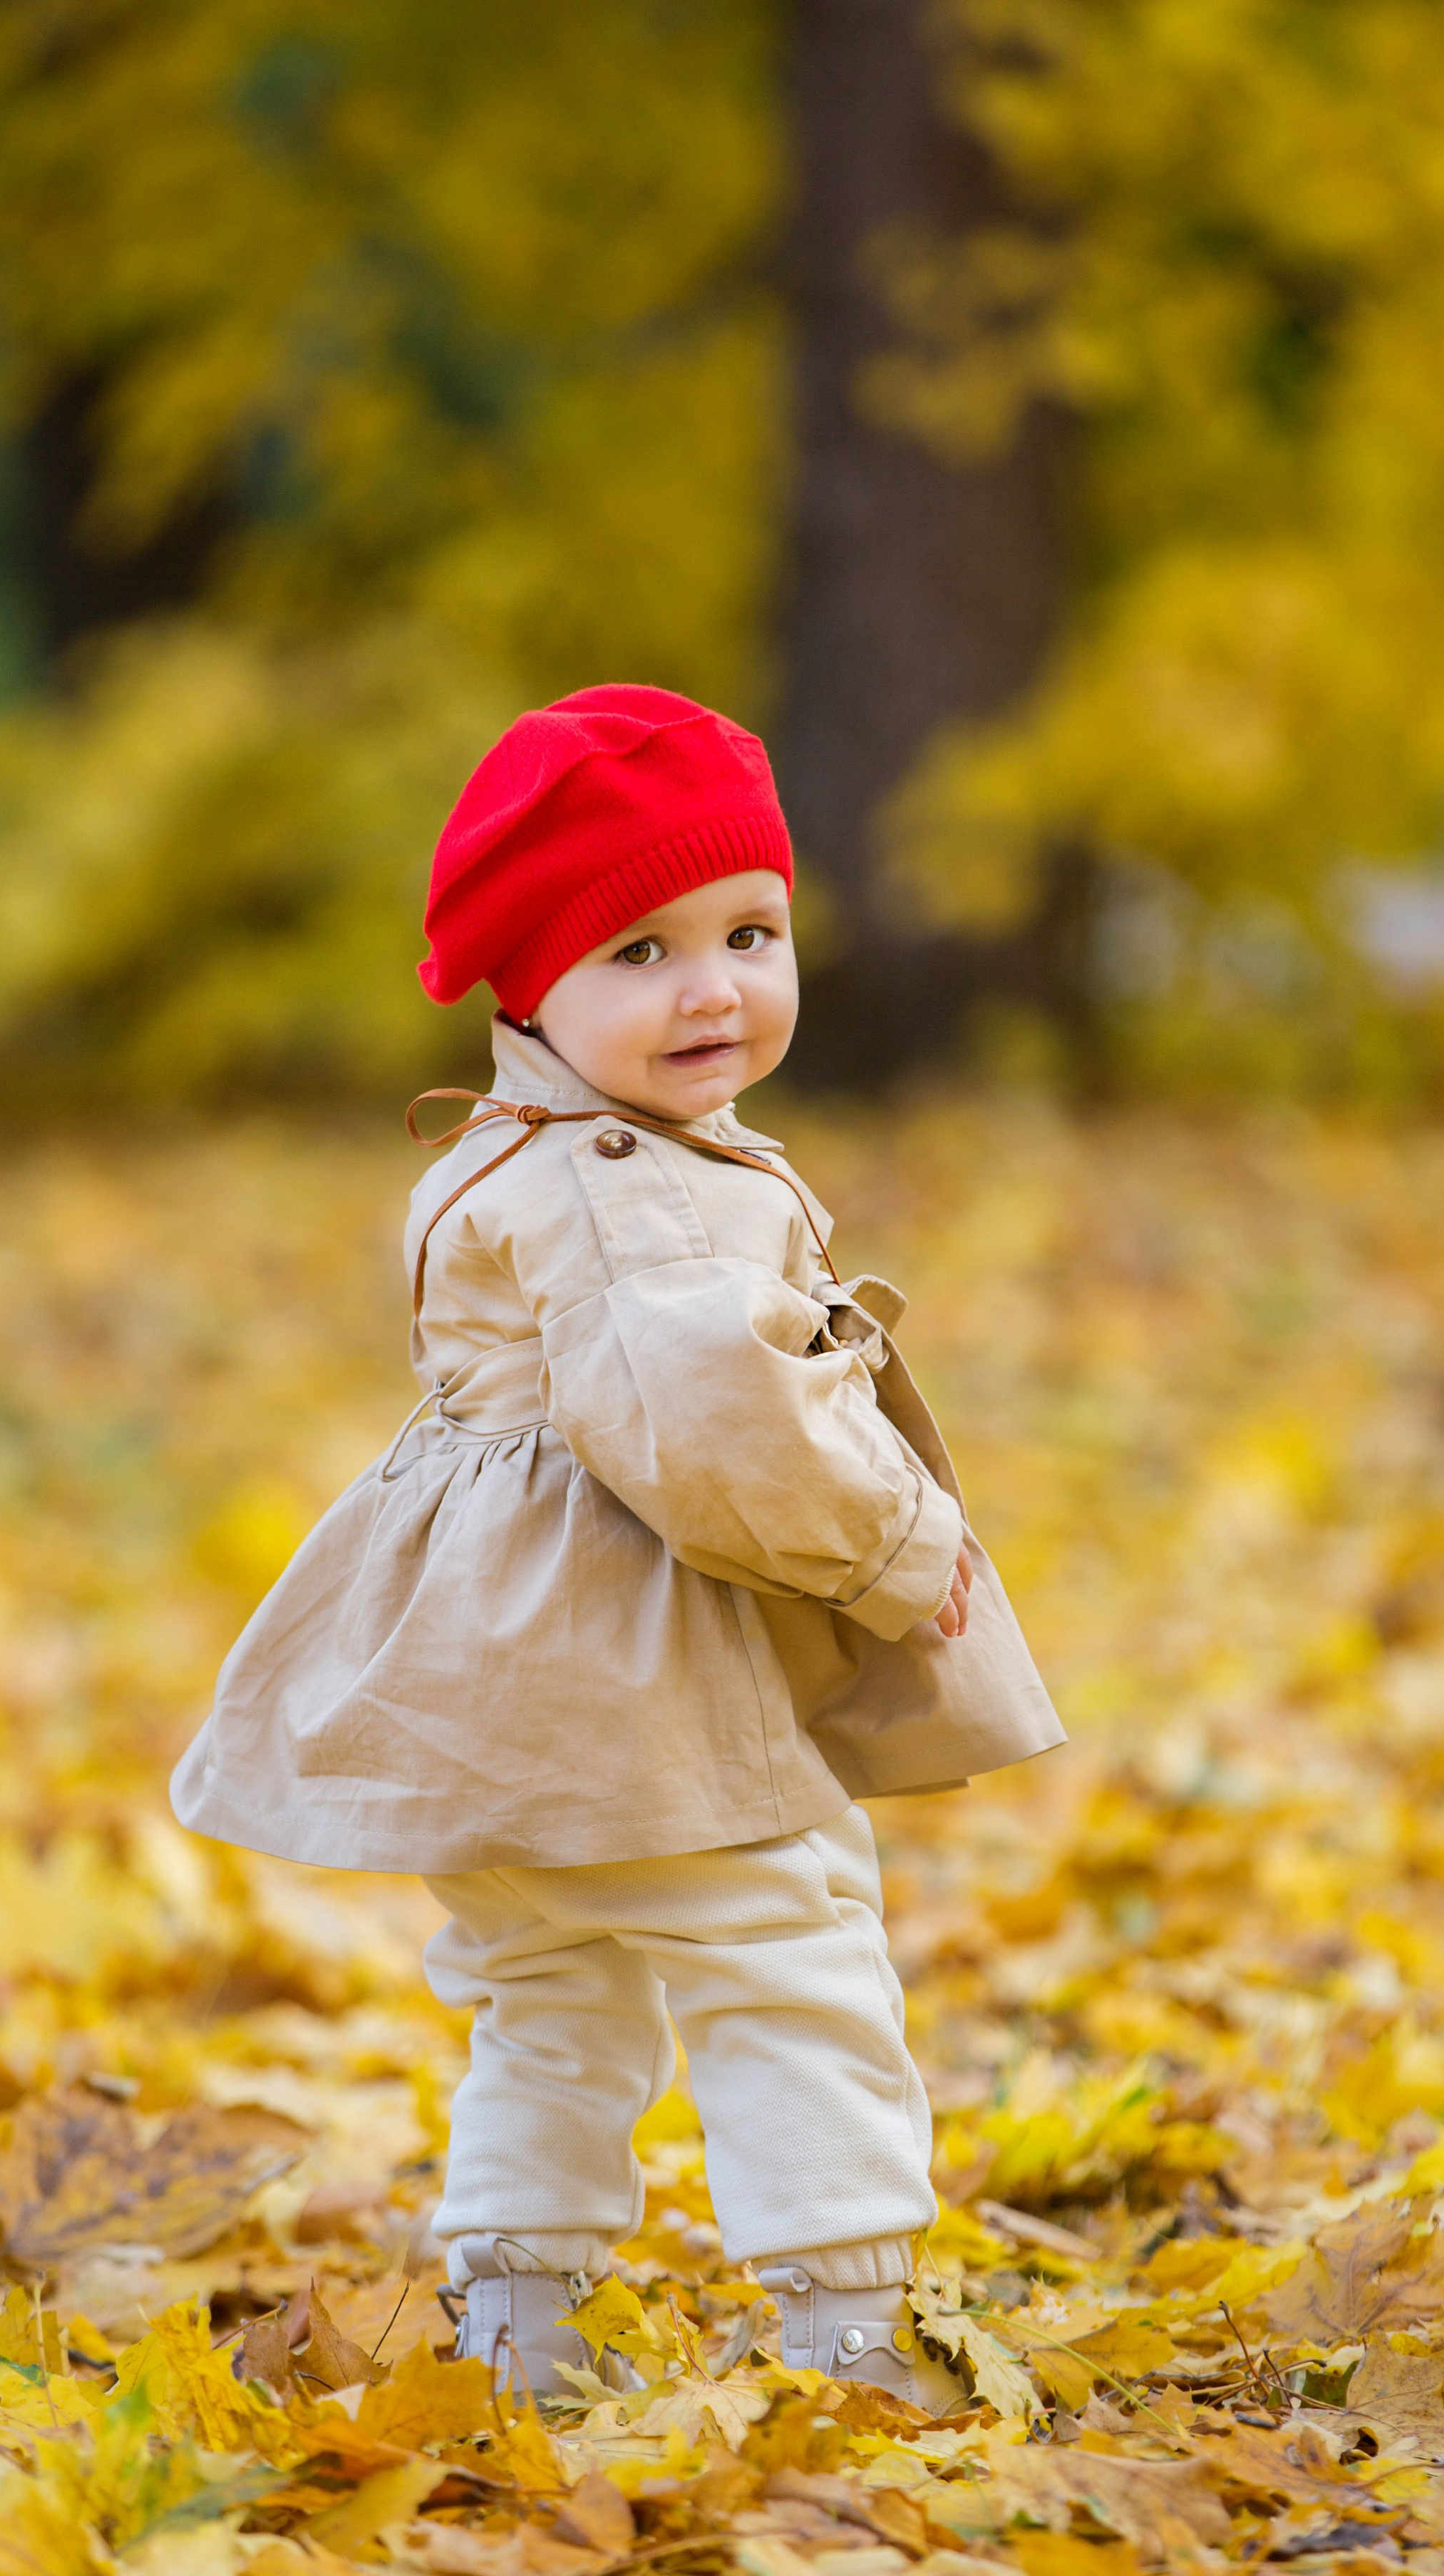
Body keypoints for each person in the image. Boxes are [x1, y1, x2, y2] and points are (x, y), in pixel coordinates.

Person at [173, 685, 1063, 2403]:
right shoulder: (630, 1187)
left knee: (554, 1983)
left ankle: (516, 2321)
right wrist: (893, 1551)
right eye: (638, 953)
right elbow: (710, 1426)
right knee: (788, 1944)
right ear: (531, 987)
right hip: (621, 1676)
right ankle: (854, 2332)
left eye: (747, 930)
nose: (712, 987)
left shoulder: (518, 1147)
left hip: (488, 1695)